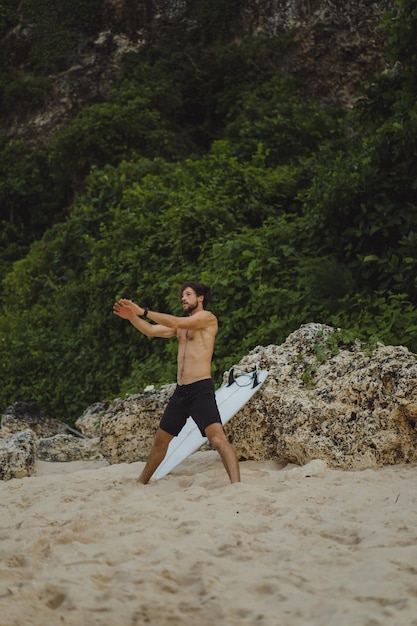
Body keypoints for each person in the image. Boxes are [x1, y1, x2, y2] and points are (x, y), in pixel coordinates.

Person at [113, 281, 240, 484]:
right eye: (182, 295)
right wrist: (132, 317)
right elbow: (151, 331)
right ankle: (141, 483)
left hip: (200, 389)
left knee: (217, 439)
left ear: (200, 298)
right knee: (160, 441)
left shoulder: (207, 318)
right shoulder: (180, 327)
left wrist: (143, 311)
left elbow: (177, 321)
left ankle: (236, 486)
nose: (183, 298)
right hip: (181, 392)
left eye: (188, 294)